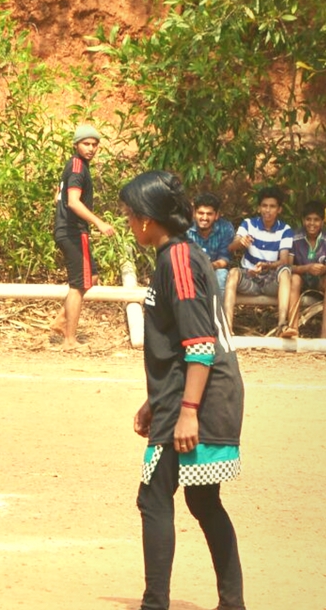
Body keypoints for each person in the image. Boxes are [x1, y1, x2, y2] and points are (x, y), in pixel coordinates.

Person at [120, 171, 245, 610]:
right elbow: (181, 341)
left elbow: (200, 343)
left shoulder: (176, 259)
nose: (130, 223)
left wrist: (187, 409)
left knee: (153, 495)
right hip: (188, 390)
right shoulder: (177, 254)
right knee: (202, 498)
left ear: (150, 220)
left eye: (132, 216)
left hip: (202, 396)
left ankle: (155, 604)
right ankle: (233, 603)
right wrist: (156, 400)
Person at [50, 124, 115, 350]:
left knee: (92, 277)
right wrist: (99, 222)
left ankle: (61, 321)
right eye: (86, 144)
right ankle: (69, 340)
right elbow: (73, 202)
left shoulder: (76, 166)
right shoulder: (78, 166)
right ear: (76, 145)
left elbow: (60, 197)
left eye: (94, 144)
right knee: (78, 285)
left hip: (70, 230)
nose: (90, 148)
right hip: (73, 231)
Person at [223, 186, 293, 332]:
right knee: (233, 273)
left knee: (285, 272)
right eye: (264, 206)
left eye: (272, 206)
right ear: (259, 207)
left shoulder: (285, 230)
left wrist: (268, 265)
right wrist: (240, 242)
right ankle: (227, 327)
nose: (268, 210)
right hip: (249, 277)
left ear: (279, 209)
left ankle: (282, 325)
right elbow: (231, 247)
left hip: (270, 279)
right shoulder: (248, 224)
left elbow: (284, 260)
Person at [280, 199, 326, 338]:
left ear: (323, 221)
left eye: (316, 220)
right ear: (303, 220)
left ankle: (324, 336)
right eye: (308, 219)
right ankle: (293, 329)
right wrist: (307, 268)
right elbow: (287, 267)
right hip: (301, 280)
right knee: (294, 279)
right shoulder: (295, 237)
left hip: (320, 281)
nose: (312, 223)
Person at [186, 193, 234, 294]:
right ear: (194, 213)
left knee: (222, 274)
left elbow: (225, 259)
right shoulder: (186, 229)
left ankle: (218, 309)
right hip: (191, 270)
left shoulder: (225, 228)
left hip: (215, 270)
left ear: (216, 215)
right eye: (201, 213)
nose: (204, 218)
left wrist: (209, 266)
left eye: (209, 214)